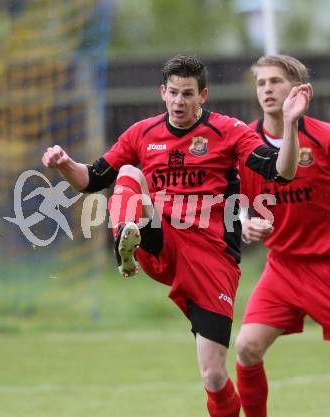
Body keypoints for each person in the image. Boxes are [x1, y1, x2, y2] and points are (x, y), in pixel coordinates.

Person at [42, 54, 311, 417]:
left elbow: (282, 172)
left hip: (213, 258)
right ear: (162, 93)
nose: (179, 102)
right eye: (173, 93)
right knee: (129, 175)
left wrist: (291, 125)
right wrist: (63, 163)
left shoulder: (228, 131)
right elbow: (91, 178)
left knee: (214, 375)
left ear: (203, 96)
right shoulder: (142, 133)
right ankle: (126, 240)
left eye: (187, 94)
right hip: (162, 241)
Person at [235, 54, 330, 417]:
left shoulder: (323, 138)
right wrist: (242, 220)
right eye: (261, 83)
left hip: (325, 264)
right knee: (246, 348)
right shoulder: (244, 143)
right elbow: (234, 197)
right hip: (283, 268)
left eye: (276, 81)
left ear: (299, 90)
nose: (267, 89)